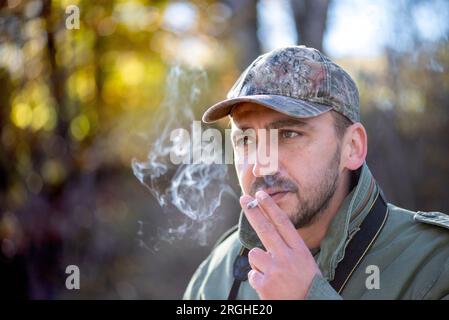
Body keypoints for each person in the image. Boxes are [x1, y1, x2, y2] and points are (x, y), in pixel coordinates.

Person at [183, 45, 449, 300]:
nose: (261, 165)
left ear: (352, 147)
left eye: (288, 134)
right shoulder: (217, 271)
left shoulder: (435, 262)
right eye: (245, 141)